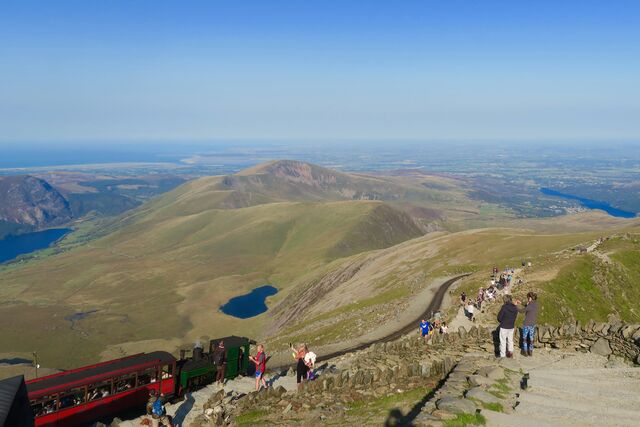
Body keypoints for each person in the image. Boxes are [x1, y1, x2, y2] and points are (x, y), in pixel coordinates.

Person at [517, 292, 539, 357]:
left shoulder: (529, 305)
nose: (527, 299)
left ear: (530, 298)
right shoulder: (536, 304)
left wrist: (515, 306)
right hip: (533, 324)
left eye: (528, 298)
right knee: (531, 338)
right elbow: (527, 305)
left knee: (524, 338)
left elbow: (521, 311)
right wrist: (521, 303)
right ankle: (531, 351)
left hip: (527, 324)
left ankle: (525, 351)